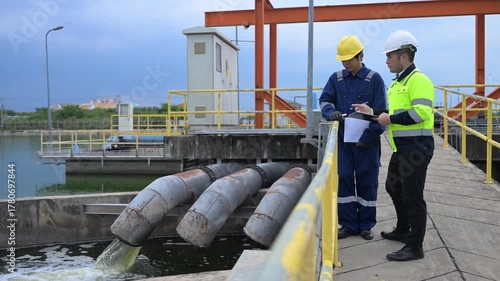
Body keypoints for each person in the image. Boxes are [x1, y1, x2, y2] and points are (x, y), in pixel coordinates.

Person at [353, 30, 435, 261]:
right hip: (402, 148)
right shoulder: (399, 82)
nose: (386, 61)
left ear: (403, 57)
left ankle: (415, 246)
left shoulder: (418, 80)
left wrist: (391, 119)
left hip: (417, 147)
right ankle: (402, 230)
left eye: (389, 56)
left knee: (413, 196)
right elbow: (393, 113)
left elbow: (421, 112)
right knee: (393, 187)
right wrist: (374, 113)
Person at [319, 35, 386, 241]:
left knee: (367, 181)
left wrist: (368, 136)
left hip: (367, 143)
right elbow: (324, 101)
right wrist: (331, 113)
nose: (346, 63)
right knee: (344, 180)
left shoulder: (374, 79)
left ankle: (366, 225)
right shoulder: (336, 79)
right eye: (343, 60)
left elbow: (382, 113)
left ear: (361, 56)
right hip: (343, 142)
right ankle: (348, 224)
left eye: (350, 59)